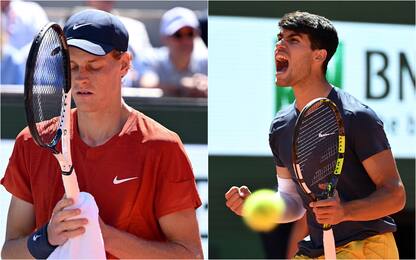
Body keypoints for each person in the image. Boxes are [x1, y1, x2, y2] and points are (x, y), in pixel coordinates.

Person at [1, 9, 203, 259]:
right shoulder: (31, 142)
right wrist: (47, 238)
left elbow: (190, 255)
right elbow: (9, 253)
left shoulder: (162, 146)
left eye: (93, 66)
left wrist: (106, 237)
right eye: (72, 67)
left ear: (125, 65)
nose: (81, 78)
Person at [225, 11, 405, 259]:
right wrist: (253, 208)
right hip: (317, 250)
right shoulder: (281, 126)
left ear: (319, 56)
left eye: (294, 40)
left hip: (367, 248)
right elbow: (293, 203)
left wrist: (345, 211)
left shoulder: (356, 117)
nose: (280, 44)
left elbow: (395, 195)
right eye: (280, 38)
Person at [139, 7, 208, 97]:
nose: (185, 41)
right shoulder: (151, 59)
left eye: (190, 34)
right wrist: (181, 87)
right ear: (164, 38)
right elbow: (146, 85)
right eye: (178, 35)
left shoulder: (207, 61)